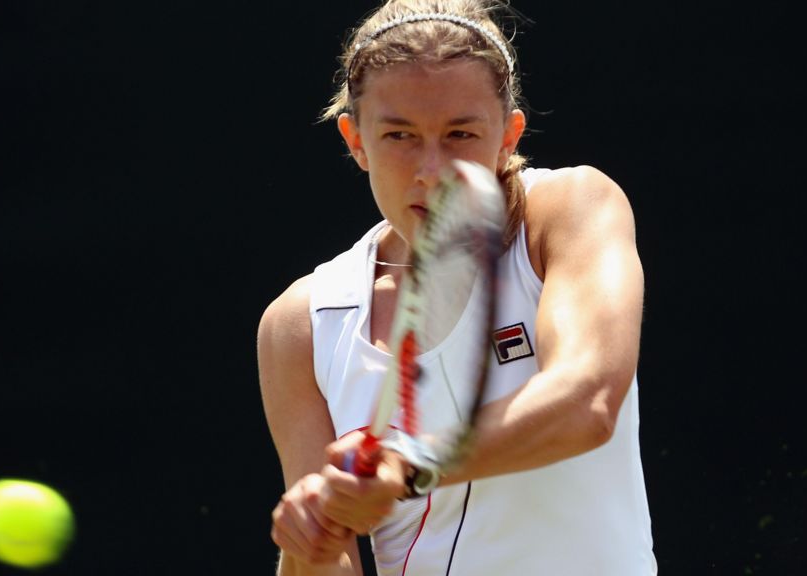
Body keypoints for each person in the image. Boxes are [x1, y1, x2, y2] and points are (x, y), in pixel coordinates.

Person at [257, 0, 657, 574]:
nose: (432, 169)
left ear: (507, 135)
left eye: (461, 133)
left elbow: (587, 400)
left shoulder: (568, 210)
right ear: (356, 140)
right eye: (399, 135)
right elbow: (332, 562)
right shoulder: (300, 323)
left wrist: (408, 462)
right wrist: (307, 544)